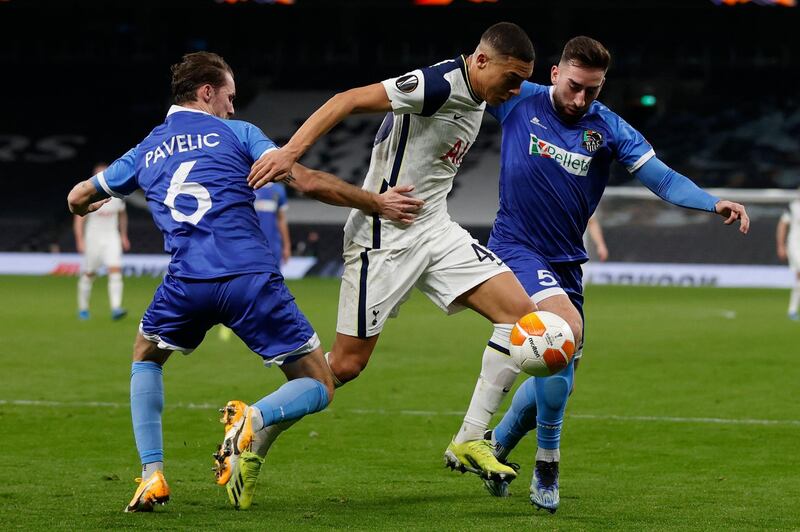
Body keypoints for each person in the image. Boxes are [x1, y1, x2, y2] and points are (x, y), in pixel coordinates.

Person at [66, 51, 423, 513]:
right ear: (206, 92)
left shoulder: (145, 149)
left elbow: (78, 195)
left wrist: (83, 207)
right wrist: (377, 203)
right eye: (229, 97)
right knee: (319, 383)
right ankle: (252, 418)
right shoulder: (239, 134)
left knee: (145, 356)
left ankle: (151, 475)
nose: (233, 108)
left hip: (186, 282)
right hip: (248, 277)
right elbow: (307, 181)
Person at [455, 35, 749, 513]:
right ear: (554, 73)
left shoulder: (608, 128)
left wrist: (712, 201)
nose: (580, 99)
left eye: (592, 90)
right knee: (562, 335)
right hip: (517, 248)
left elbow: (664, 179)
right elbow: (459, 87)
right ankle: (547, 464)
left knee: (560, 376)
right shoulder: (516, 99)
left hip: (567, 262)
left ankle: (499, 445)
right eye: (574, 86)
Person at [248, 22, 538, 482]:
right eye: (512, 78)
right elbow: (347, 100)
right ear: (481, 61)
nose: (516, 89)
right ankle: (256, 428)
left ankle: (470, 438)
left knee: (522, 317)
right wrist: (290, 151)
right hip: (383, 237)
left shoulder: (485, 92)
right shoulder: (438, 83)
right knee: (345, 365)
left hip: (435, 229)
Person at [73, 162, 130, 321]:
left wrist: (124, 235)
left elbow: (122, 216)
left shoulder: (116, 195)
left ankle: (116, 308)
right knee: (90, 273)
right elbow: (79, 220)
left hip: (112, 237)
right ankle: (83, 309)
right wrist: (80, 240)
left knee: (115, 271)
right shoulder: (88, 195)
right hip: (93, 238)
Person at [255, 181, 291, 266]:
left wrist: (287, 246)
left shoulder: (278, 190)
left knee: (274, 276)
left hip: (273, 245)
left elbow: (281, 219)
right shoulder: (247, 187)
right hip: (252, 243)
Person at [776, 189, 800, 320]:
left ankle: (792, 310)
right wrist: (781, 245)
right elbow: (782, 226)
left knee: (799, 278)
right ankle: (792, 311)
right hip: (796, 246)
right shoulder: (793, 207)